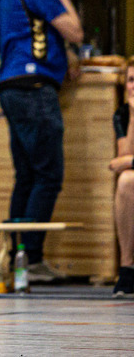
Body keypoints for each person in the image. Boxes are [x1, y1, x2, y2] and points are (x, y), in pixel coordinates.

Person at [0, 0, 83, 283]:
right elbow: (74, 30)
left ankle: (18, 258)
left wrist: (65, 56)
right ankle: (30, 259)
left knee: (27, 176)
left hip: (12, 87)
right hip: (33, 88)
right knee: (48, 175)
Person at [110, 57, 134, 297]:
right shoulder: (123, 114)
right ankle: (127, 268)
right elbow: (123, 157)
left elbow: (126, 161)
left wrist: (130, 162)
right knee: (127, 180)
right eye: (131, 80)